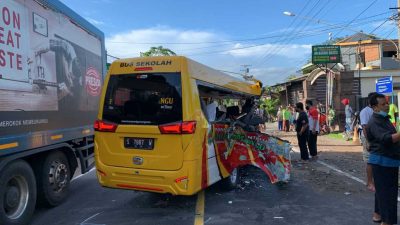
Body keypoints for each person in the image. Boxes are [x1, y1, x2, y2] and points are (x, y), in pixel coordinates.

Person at [366, 93, 400, 225]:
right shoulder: (375, 121)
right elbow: (386, 139)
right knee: (388, 195)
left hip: (389, 161)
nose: (387, 106)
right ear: (375, 108)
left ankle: (378, 215)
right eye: (383, 104)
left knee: (382, 192)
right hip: (383, 162)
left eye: (386, 103)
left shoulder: (384, 119)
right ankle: (386, 221)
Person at [360, 92, 376, 193]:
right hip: (368, 138)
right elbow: (364, 127)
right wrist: (368, 141)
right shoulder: (365, 111)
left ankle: (374, 180)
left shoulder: (376, 110)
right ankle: (370, 182)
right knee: (369, 160)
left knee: (374, 159)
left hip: (375, 138)